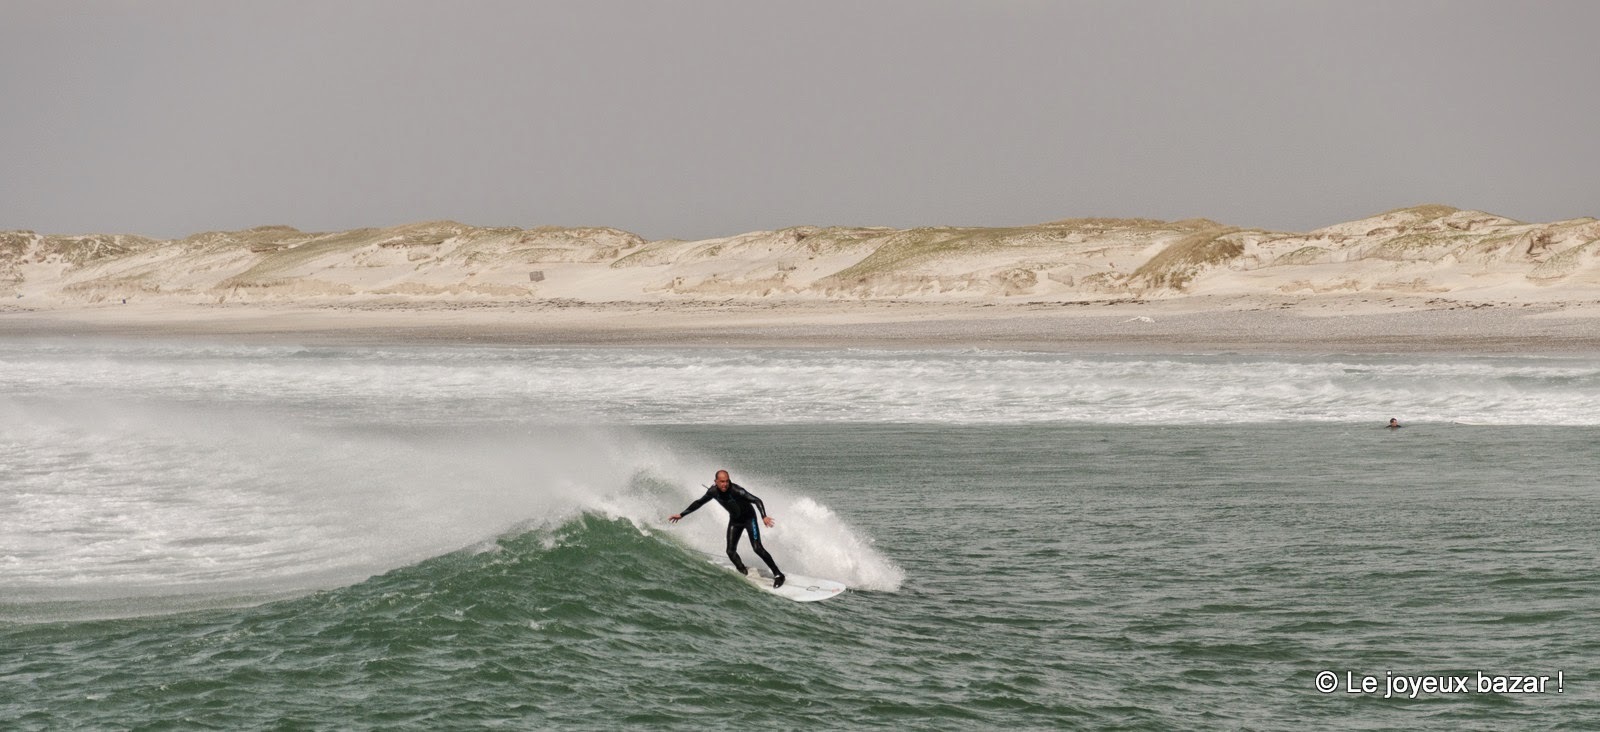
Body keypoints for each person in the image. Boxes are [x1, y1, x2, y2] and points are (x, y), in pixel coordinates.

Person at [669, 470, 785, 588]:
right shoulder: (712, 492)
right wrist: (682, 514)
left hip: (749, 519)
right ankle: (743, 571)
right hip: (735, 521)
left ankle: (778, 575)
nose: (725, 484)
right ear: (716, 482)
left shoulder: (737, 490)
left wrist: (763, 516)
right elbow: (699, 503)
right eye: (722, 482)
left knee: (757, 548)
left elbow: (757, 500)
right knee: (730, 551)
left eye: (727, 481)